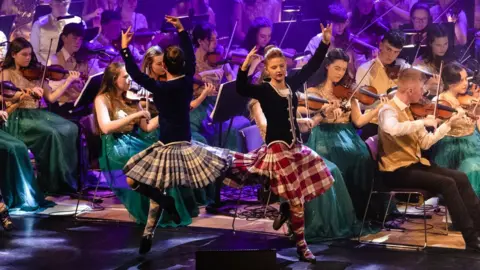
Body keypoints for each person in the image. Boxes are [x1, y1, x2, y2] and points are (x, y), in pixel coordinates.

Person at [120, 16, 231, 254]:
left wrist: (125, 49)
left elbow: (136, 75)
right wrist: (182, 31)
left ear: (166, 68)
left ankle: (156, 218)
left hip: (168, 146)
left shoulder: (160, 88)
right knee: (157, 191)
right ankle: (150, 229)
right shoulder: (187, 81)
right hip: (186, 146)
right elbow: (191, 58)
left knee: (132, 178)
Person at [227, 24, 335, 263]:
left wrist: (325, 42)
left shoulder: (292, 84)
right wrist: (246, 66)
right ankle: (302, 246)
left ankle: (286, 210)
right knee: (297, 199)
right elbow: (241, 87)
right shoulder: (264, 91)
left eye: (282, 66)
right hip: (277, 149)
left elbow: (312, 66)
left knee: (313, 183)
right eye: (274, 67)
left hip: (295, 147)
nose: (279, 70)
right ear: (267, 69)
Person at [377, 67, 480, 251]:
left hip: (415, 165)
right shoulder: (387, 110)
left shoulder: (411, 111)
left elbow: (425, 143)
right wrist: (422, 122)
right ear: (410, 90)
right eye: (421, 88)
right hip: (395, 171)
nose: (424, 92)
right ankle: (471, 240)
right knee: (447, 183)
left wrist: (448, 124)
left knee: (460, 177)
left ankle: (478, 228)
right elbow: (391, 129)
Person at [300, 48, 388, 218]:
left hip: (348, 136)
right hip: (324, 136)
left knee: (362, 157)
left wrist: (377, 108)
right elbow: (298, 107)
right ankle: (339, 211)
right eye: (336, 68)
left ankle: (360, 211)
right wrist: (325, 109)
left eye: (343, 69)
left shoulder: (348, 92)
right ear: (327, 66)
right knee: (338, 155)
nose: (340, 73)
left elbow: (359, 121)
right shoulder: (314, 92)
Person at [1, 38, 80, 194]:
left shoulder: (38, 73)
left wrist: (68, 81)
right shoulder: (6, 73)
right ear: (14, 54)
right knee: (51, 133)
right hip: (18, 116)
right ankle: (51, 183)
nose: (28, 58)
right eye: (24, 55)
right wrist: (20, 95)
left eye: (30, 54)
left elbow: (51, 98)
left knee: (71, 128)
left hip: (39, 114)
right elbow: (3, 96)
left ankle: (68, 177)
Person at [430, 62, 480, 197]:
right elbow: (436, 122)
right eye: (461, 80)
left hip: (472, 142)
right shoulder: (442, 101)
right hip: (453, 147)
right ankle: (470, 204)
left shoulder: (467, 98)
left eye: (466, 79)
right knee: (473, 169)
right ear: (451, 83)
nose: (466, 83)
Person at [305, 4, 374, 82]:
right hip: (323, 82)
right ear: (328, 22)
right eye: (337, 23)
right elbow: (309, 63)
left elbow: (360, 63)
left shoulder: (351, 40)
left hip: (349, 85)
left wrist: (371, 61)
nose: (341, 27)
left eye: (343, 23)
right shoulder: (317, 40)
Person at [48, 22, 101, 116]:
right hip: (63, 106)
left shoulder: (82, 58)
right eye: (75, 38)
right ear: (64, 38)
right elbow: (52, 88)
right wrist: (69, 81)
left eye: (80, 39)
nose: (78, 42)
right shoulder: (54, 60)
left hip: (81, 104)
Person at [31, 0, 83, 65]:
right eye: (58, 1)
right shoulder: (39, 24)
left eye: (65, 2)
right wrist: (44, 65)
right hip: (47, 67)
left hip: (72, 66)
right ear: (50, 3)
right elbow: (34, 50)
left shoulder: (78, 22)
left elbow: (83, 47)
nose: (62, 4)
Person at [414, 24, 454, 97]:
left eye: (445, 44)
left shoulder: (450, 59)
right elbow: (414, 93)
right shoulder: (419, 64)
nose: (443, 48)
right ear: (430, 43)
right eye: (438, 45)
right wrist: (427, 86)